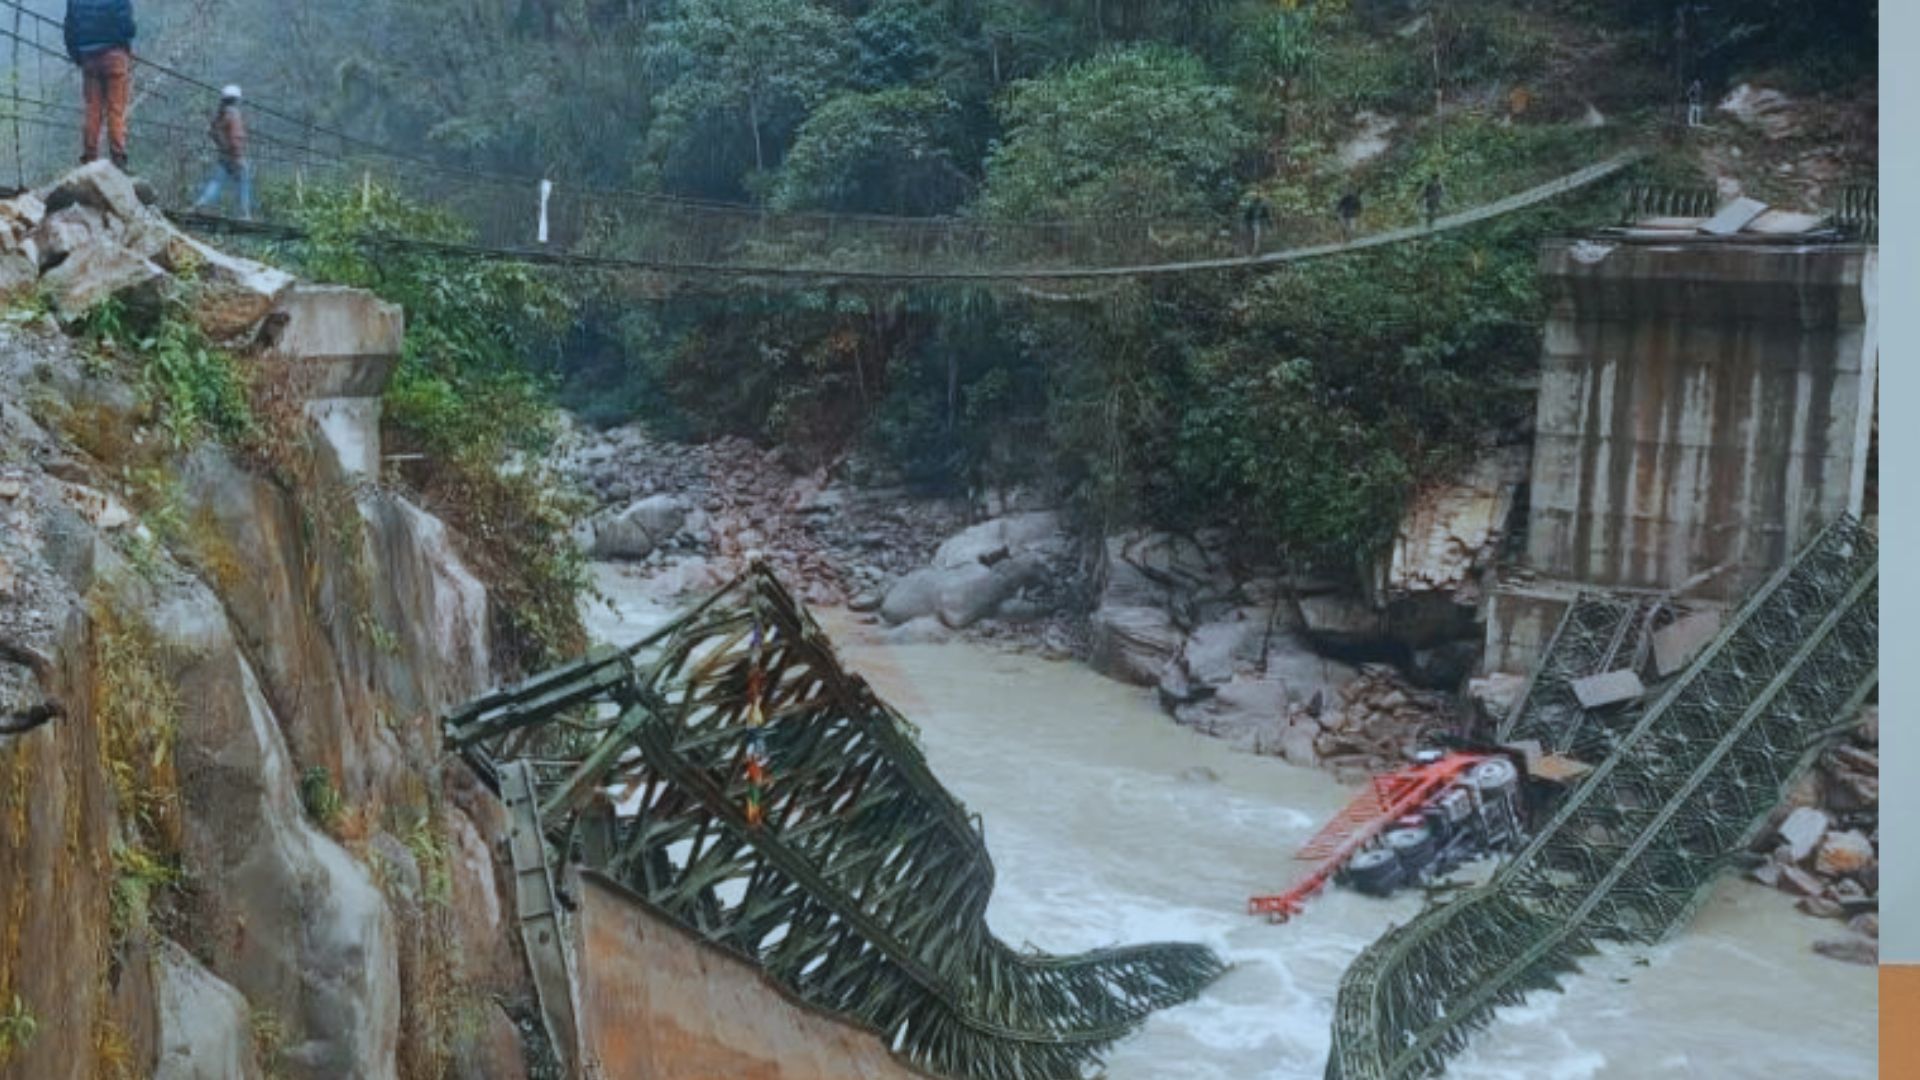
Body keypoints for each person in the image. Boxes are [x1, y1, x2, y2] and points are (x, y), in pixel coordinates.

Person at [63, 0, 137, 170]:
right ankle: (118, 157)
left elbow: (69, 30)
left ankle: (90, 156)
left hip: (89, 57)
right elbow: (129, 27)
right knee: (115, 109)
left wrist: (78, 57)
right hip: (115, 55)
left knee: (92, 109)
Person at [192, 86, 253, 220]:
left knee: (216, 182)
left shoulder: (220, 114)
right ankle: (244, 213)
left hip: (224, 154)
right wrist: (238, 156)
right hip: (235, 155)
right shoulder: (234, 114)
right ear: (237, 99)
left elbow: (212, 132)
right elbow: (236, 137)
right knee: (244, 182)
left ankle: (201, 203)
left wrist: (222, 147)